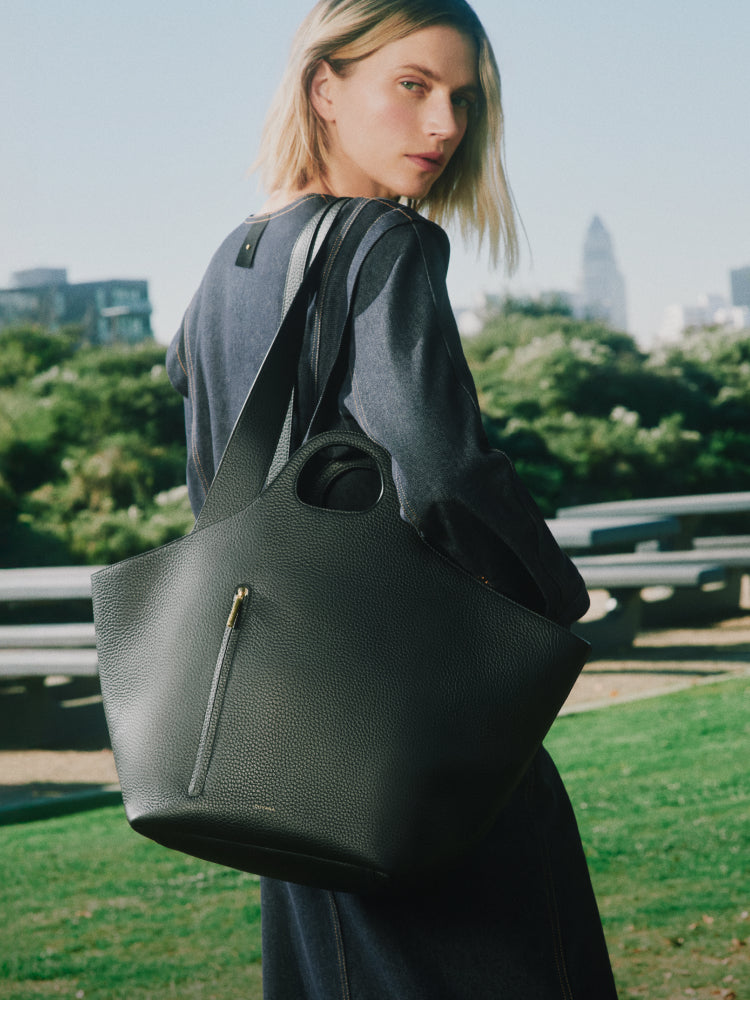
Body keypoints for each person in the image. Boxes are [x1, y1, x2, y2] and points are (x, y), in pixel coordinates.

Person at [167, 0, 617, 998]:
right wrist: (548, 600)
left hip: (282, 745)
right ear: (325, 88)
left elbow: (214, 465)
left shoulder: (229, 262)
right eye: (411, 86)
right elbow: (441, 466)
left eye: (462, 98)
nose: (446, 126)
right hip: (413, 729)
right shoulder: (383, 245)